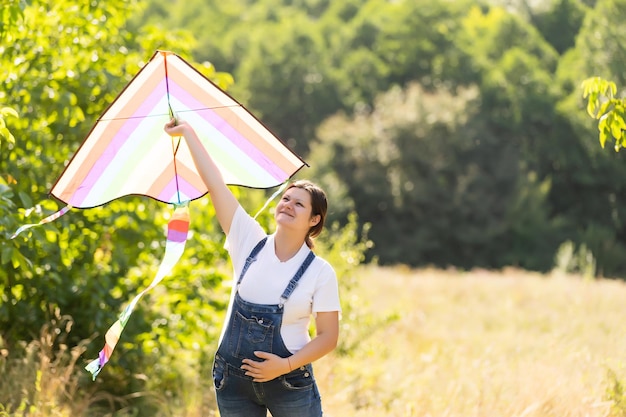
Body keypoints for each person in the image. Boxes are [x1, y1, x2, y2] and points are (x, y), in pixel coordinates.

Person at [164, 119, 341, 417]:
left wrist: (283, 366)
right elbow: (215, 185)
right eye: (285, 198)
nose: (287, 204)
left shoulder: (320, 272)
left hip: (289, 381)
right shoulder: (248, 240)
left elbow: (328, 337)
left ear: (314, 220)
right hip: (233, 381)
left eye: (299, 204)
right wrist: (189, 134)